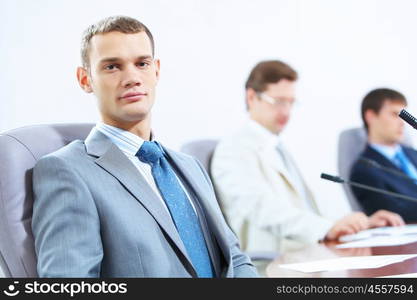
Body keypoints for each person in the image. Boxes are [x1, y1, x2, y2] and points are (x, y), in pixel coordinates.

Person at [31, 16, 257, 278]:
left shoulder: (189, 166)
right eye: (113, 66)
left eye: (142, 64)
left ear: (156, 70)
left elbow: (236, 259)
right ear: (85, 79)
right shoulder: (67, 170)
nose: (132, 78)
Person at [210, 60, 404, 254]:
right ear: (252, 97)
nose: (286, 111)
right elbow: (262, 209)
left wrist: (360, 223)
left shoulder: (278, 147)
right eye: (278, 101)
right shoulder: (234, 149)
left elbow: (307, 209)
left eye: (290, 102)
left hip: (307, 252)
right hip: (272, 262)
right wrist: (326, 229)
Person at [350, 88, 417, 222]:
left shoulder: (413, 153)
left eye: (404, 115)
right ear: (371, 116)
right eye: (394, 114)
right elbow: (396, 214)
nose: (402, 122)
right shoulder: (364, 170)